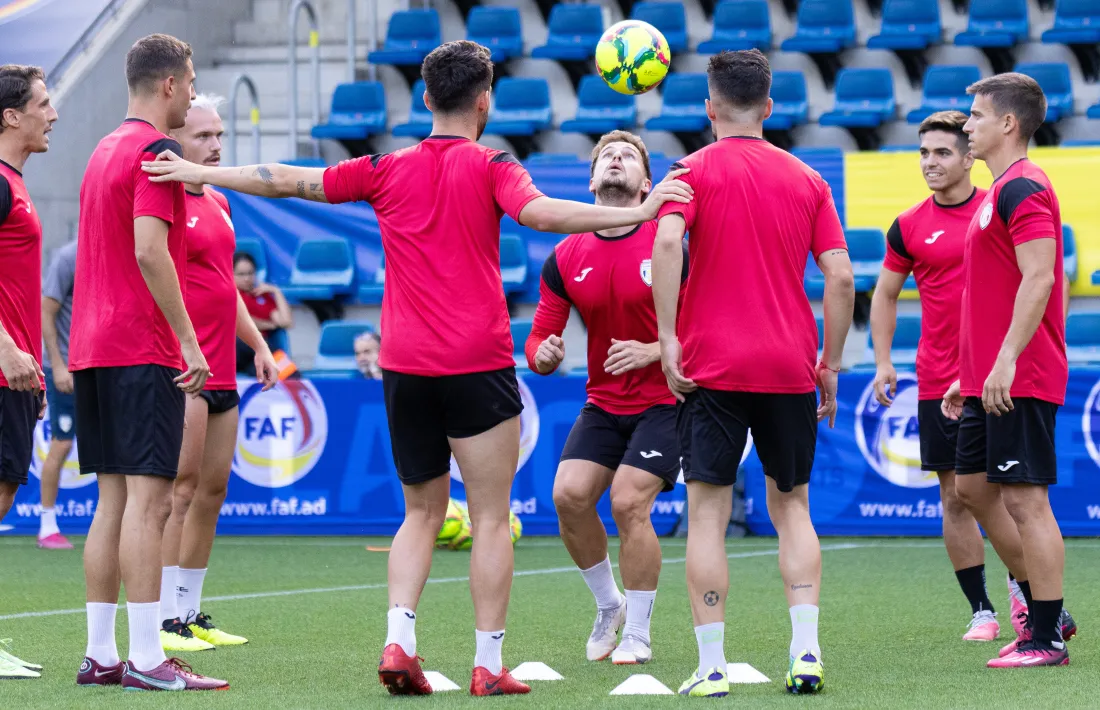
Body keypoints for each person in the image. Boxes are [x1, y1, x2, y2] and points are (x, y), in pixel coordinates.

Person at [142, 39, 692, 697]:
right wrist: (637, 210)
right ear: (484, 100)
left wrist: (201, 174)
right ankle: (487, 663)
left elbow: (285, 177)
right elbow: (542, 214)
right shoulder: (492, 165)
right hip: (477, 365)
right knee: (489, 517)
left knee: (420, 513)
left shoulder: (383, 167)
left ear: (425, 98)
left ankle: (399, 641)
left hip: (404, 368)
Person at [650, 49, 854, 697]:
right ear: (769, 107)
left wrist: (665, 337)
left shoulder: (691, 169)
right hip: (789, 362)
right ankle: (807, 653)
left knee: (707, 512)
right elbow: (843, 276)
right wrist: (831, 361)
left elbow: (663, 241)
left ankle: (712, 665)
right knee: (792, 506)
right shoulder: (807, 178)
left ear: (709, 108)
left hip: (711, 363)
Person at [70, 34, 227, 691]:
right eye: (189, 83)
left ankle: (103, 654)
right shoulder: (157, 151)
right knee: (149, 502)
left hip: (91, 347)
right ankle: (146, 658)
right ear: (168, 85)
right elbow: (151, 252)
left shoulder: (101, 148)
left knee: (112, 502)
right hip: (140, 347)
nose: (192, 93)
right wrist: (190, 343)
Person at [525, 130, 685, 666]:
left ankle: (638, 633)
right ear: (592, 180)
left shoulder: (670, 241)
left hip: (667, 399)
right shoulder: (566, 254)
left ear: (646, 183)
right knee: (568, 496)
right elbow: (538, 339)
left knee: (627, 501)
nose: (616, 160)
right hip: (604, 402)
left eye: (629, 156)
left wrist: (656, 349)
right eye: (605, 157)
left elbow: (707, 321)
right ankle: (609, 605)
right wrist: (543, 355)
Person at [942, 72, 1071, 668]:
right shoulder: (998, 191)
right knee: (970, 489)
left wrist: (1005, 361)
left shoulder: (1026, 188)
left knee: (1026, 502)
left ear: (1008, 124)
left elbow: (1040, 277)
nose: (967, 125)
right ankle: (1047, 607)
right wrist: (967, 375)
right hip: (986, 377)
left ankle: (1043, 636)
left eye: (975, 116)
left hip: (1019, 375)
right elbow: (993, 293)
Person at [869, 111, 1004, 640]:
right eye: (924, 153)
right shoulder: (907, 225)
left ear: (970, 157)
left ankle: (1028, 595)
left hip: (995, 374)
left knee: (1010, 493)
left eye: (942, 152)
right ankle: (983, 610)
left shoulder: (999, 208)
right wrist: (883, 359)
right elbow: (883, 293)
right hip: (936, 378)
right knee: (955, 496)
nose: (930, 162)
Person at [158, 94, 279, 653]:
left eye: (219, 136)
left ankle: (188, 612)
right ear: (176, 139)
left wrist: (257, 344)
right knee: (177, 492)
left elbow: (223, 285)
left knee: (212, 490)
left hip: (223, 367)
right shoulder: (163, 200)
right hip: (184, 368)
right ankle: (160, 619)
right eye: (203, 136)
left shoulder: (220, 201)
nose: (215, 146)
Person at [0, 62, 55, 681]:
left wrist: (28, 363)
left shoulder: (14, 182)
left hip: (14, 372)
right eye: (43, 103)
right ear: (11, 115)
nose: (53, 113)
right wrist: (9, 351)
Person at [39, 238, 78, 550]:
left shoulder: (119, 250)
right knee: (62, 443)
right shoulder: (68, 257)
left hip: (101, 368)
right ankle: (46, 525)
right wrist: (58, 365)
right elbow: (46, 311)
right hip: (66, 368)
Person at [234, 252, 292, 355]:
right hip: (235, 349)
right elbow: (242, 323)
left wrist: (276, 291)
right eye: (241, 274)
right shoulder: (229, 295)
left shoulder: (262, 296)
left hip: (257, 353)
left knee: (286, 370)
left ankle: (287, 370)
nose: (247, 278)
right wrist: (270, 325)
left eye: (250, 273)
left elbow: (285, 322)